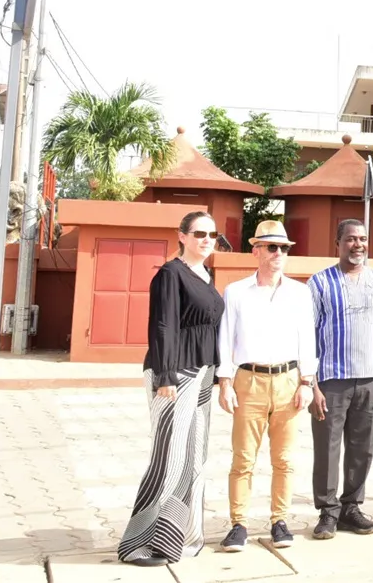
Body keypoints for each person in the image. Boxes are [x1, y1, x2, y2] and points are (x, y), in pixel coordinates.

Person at [118, 211, 225, 567]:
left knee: (194, 459)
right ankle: (137, 544)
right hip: (175, 373)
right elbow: (163, 324)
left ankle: (179, 539)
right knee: (168, 459)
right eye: (199, 233)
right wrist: (165, 375)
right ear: (181, 236)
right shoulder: (170, 273)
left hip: (204, 373)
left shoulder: (205, 275)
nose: (207, 239)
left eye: (212, 234)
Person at [216, 220, 317, 553]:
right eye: (271, 247)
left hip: (288, 379)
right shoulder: (236, 292)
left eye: (284, 248)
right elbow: (225, 337)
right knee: (243, 459)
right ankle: (238, 524)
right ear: (256, 250)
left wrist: (307, 381)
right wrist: (225, 382)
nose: (278, 254)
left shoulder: (300, 293)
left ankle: (280, 520)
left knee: (284, 459)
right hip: (249, 380)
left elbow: (308, 339)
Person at [307, 219, 373, 539]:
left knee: (362, 449)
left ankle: (351, 508)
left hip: (369, 379)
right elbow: (308, 336)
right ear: (338, 243)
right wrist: (313, 385)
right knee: (327, 449)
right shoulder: (319, 283)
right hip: (332, 380)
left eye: (362, 239)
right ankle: (327, 512)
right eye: (350, 239)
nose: (357, 244)